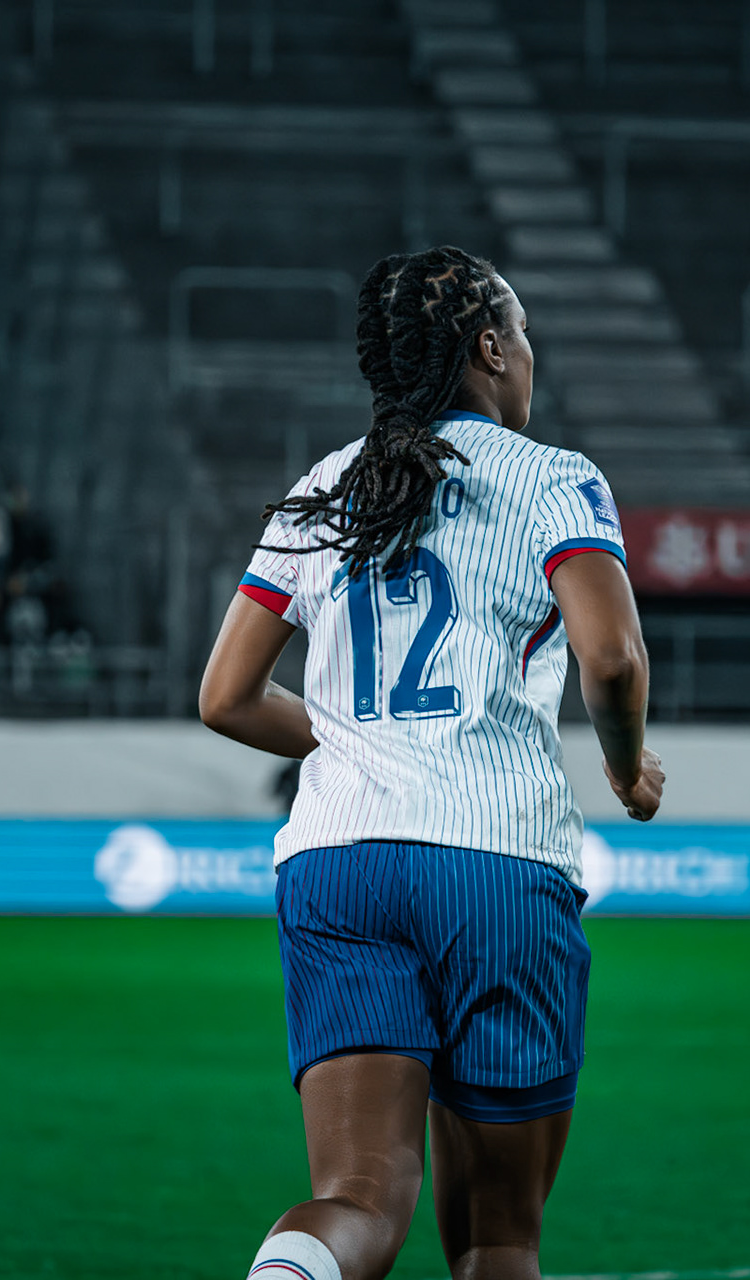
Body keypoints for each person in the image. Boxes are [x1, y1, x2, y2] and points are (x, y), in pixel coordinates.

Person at [197, 246, 665, 1280]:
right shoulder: (554, 478)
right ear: (489, 348)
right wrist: (629, 770)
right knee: (498, 1235)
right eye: (524, 331)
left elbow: (224, 696)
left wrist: (361, 739)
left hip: (338, 864)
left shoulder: (324, 486)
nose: (530, 353)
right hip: (496, 862)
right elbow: (614, 657)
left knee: (359, 1194)